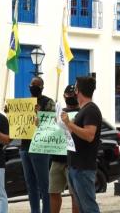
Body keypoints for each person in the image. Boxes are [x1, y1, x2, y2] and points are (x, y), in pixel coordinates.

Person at [61, 77, 102, 213]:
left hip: (83, 168)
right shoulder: (83, 110)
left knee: (89, 207)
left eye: (75, 87)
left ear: (78, 91)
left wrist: (69, 123)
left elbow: (89, 135)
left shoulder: (91, 110)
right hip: (75, 166)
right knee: (82, 207)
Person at [20, 77, 55, 213]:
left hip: (40, 147)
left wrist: (39, 113)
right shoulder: (25, 103)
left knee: (44, 185)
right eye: (31, 84)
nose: (33, 86)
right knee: (30, 185)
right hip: (25, 147)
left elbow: (51, 124)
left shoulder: (48, 102)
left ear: (42, 87)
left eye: (36, 84)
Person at [49, 85, 80, 213]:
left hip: (73, 160)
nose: (71, 98)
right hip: (57, 158)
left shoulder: (82, 113)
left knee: (75, 194)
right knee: (53, 191)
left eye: (73, 95)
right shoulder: (58, 113)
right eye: (69, 95)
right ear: (64, 96)